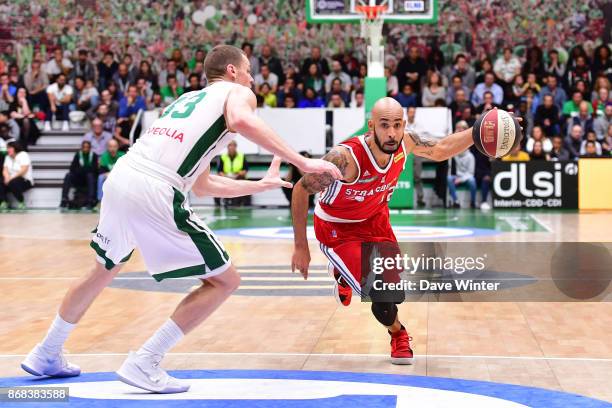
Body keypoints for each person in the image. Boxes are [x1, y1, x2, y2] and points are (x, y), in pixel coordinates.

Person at [21, 44, 341, 393]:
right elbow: (240, 120)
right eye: (248, 69)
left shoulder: (186, 102)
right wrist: (303, 161)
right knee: (225, 281)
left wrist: (258, 185)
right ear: (232, 71)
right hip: (155, 186)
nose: (252, 77)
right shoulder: (237, 93)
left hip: (123, 176)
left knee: (103, 269)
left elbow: (202, 186)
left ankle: (46, 352)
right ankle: (145, 360)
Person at [291, 97, 479, 366]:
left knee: (393, 289)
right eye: (384, 125)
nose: (392, 133)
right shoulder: (345, 159)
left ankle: (344, 275)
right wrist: (301, 246)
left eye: (397, 125)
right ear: (371, 127)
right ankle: (399, 334)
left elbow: (440, 149)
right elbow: (300, 189)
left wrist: (477, 130)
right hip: (338, 229)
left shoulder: (407, 142)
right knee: (381, 295)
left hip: (376, 221)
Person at [60, 141, 99, 209]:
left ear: (90, 148)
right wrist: (84, 170)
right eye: (84, 147)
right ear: (81, 148)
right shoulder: (78, 155)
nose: (85, 149)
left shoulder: (94, 155)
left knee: (90, 175)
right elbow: (72, 168)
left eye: (87, 147)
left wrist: (82, 169)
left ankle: (91, 200)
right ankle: (64, 199)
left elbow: (95, 169)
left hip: (88, 179)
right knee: (68, 175)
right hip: (78, 178)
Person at [0, 141, 33, 210]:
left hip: (24, 180)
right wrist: (6, 177)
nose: (7, 150)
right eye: (7, 148)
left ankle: (21, 202)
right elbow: (5, 170)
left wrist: (11, 178)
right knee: (1, 181)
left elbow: (24, 170)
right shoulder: (7, 157)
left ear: (15, 148)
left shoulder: (23, 154)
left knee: (13, 182)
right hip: (10, 180)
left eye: (9, 148)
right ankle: (4, 202)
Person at [216, 140, 249, 206]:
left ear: (236, 147)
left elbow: (246, 170)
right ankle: (219, 203)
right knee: (216, 183)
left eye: (233, 145)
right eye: (229, 145)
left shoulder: (241, 156)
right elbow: (219, 171)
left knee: (243, 183)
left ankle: (238, 204)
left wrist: (239, 174)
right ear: (227, 147)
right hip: (226, 177)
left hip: (237, 177)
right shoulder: (223, 157)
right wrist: (225, 176)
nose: (231, 147)